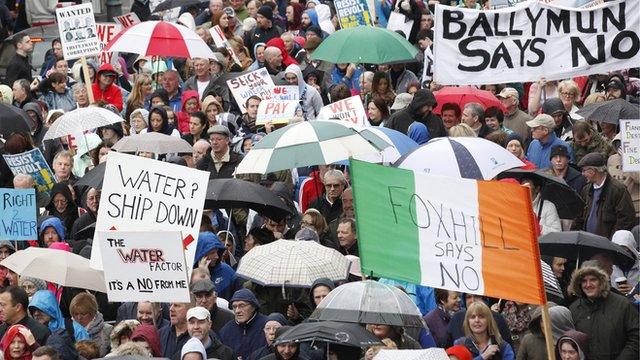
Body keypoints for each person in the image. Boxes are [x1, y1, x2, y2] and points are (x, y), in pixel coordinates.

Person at [569, 264, 638, 359]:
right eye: (584, 281)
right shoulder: (574, 308)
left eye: (593, 280)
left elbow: (636, 338)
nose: (588, 285)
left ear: (602, 282)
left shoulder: (622, 305)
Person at [571, 152, 636, 238]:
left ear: (593, 171)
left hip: (607, 246)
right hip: (588, 242)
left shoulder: (618, 189)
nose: (582, 174)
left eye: (584, 170)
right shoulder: (586, 190)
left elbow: (626, 219)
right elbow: (579, 216)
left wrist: (612, 241)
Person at [219, 289, 268, 360]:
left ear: (253, 307)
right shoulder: (226, 330)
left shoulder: (267, 325)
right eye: (234, 307)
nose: (237, 311)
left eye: (242, 305)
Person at [68, 292, 112, 357]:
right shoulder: (67, 331)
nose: (79, 318)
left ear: (93, 312)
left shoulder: (108, 330)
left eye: (83, 314)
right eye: (75, 314)